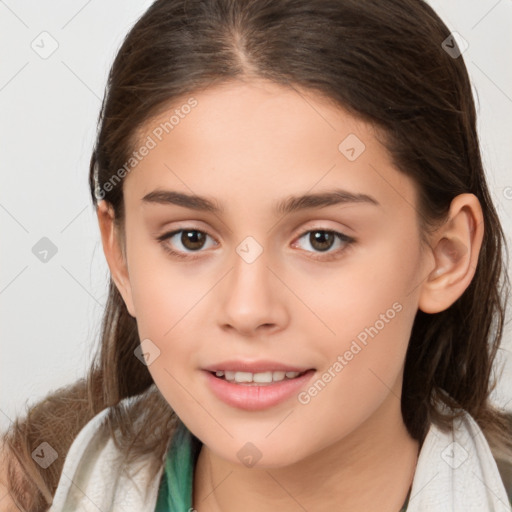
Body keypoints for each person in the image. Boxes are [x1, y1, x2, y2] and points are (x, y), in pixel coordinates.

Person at [2, 0, 512, 510]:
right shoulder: (28, 491)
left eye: (321, 239)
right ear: (122, 256)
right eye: (190, 238)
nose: (248, 310)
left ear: (446, 255)